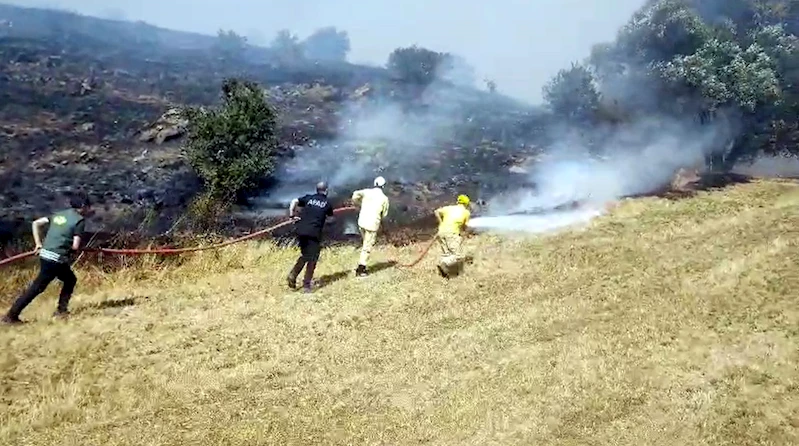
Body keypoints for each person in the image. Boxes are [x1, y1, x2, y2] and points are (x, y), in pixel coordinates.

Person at [2, 193, 92, 324]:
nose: (90, 209)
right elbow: (75, 245)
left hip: (45, 255)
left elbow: (36, 223)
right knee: (37, 287)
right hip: (56, 259)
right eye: (88, 206)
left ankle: (61, 310)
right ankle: (11, 316)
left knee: (69, 279)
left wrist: (38, 244)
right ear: (83, 206)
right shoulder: (79, 220)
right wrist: (75, 250)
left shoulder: (59, 214)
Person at [286, 181, 334, 293]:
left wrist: (291, 215)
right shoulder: (327, 203)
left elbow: (294, 201)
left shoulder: (308, 198)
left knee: (306, 255)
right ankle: (306, 285)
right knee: (313, 258)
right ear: (326, 191)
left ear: (317, 190)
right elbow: (331, 219)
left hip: (301, 230)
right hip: (314, 233)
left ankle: (293, 276)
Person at [351, 176, 390, 277]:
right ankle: (361, 269)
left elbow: (355, 194)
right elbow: (384, 215)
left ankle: (361, 263)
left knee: (365, 243)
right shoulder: (384, 198)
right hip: (372, 225)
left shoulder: (367, 192)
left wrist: (359, 203)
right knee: (367, 247)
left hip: (362, 222)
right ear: (383, 186)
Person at [433, 194, 472, 278]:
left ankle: (447, 275)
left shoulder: (449, 208)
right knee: (458, 256)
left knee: (447, 253)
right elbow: (465, 227)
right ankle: (443, 263)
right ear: (466, 204)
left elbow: (436, 211)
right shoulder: (466, 212)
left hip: (441, 232)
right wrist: (465, 234)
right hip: (452, 233)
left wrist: (441, 223)